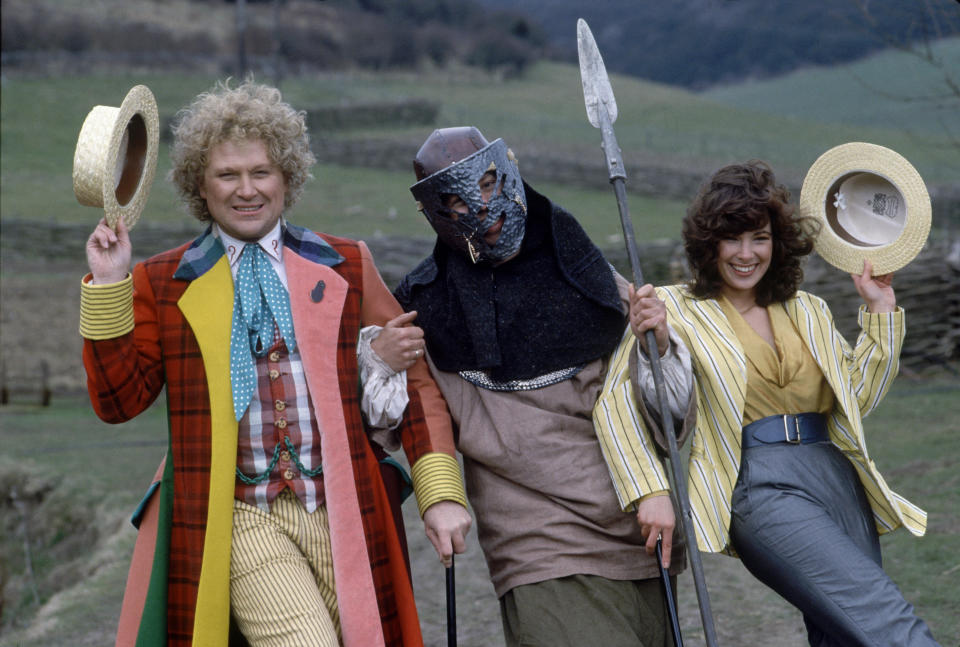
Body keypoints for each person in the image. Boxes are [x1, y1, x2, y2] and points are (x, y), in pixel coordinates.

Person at [80, 80, 471, 647]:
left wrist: (441, 497)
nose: (247, 190)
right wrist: (111, 284)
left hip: (345, 510)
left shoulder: (346, 263)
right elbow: (118, 403)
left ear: (287, 176)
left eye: (261, 172)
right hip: (237, 519)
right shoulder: (162, 281)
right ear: (200, 186)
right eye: (227, 175)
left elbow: (413, 379)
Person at [598, 160, 940, 646]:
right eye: (731, 238)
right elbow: (616, 406)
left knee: (843, 632)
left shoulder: (808, 309)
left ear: (777, 242)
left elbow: (854, 398)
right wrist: (650, 491)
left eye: (758, 237)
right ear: (707, 243)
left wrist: (880, 311)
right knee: (882, 616)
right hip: (758, 483)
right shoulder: (670, 309)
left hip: (836, 476)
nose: (745, 253)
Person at [394, 126, 694, 647]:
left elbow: (664, 422)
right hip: (536, 543)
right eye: (456, 202)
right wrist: (377, 362)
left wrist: (660, 345)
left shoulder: (588, 275)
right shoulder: (426, 308)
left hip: (634, 525)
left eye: (489, 184)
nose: (480, 209)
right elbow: (405, 414)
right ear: (434, 214)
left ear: (509, 174)